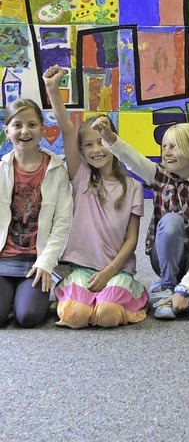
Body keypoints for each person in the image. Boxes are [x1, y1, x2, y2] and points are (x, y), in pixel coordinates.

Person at [43, 66, 148, 328]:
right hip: (80, 268)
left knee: (107, 315)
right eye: (88, 144)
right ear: (81, 150)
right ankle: (79, 298)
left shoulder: (133, 186)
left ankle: (132, 294)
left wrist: (110, 272)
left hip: (116, 269)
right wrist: (53, 90)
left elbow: (131, 239)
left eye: (101, 141)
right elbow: (68, 129)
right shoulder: (80, 177)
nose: (96, 149)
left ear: (113, 141)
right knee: (76, 317)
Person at [92, 117, 189, 321]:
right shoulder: (159, 176)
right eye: (165, 146)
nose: (167, 152)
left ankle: (181, 287)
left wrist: (185, 290)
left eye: (174, 147)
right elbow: (132, 158)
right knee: (172, 221)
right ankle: (167, 285)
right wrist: (109, 137)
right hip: (164, 255)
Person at [0, 99, 72, 327]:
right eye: (17, 125)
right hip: (3, 260)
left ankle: (16, 298)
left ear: (42, 128)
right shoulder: (2, 169)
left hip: (35, 262)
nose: (24, 131)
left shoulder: (56, 170)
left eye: (32, 124)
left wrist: (46, 262)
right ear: (7, 130)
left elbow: (62, 223)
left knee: (28, 317)